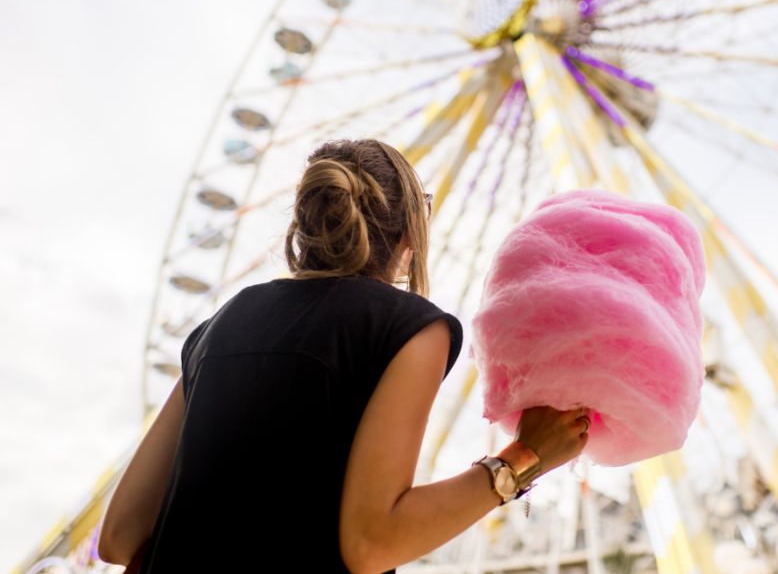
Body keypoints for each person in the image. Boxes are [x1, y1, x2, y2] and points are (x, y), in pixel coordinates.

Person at [98, 139, 590, 573]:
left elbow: (119, 538)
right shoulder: (409, 327)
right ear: (407, 234)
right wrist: (526, 457)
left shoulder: (218, 326)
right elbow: (371, 544)